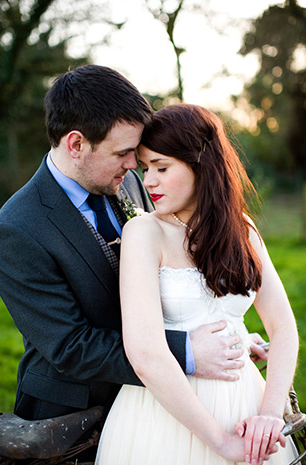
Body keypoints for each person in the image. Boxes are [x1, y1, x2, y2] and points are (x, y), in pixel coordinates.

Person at [0, 66, 265, 461]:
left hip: (159, 403)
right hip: (72, 416)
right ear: (76, 145)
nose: (133, 166)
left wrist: (228, 341)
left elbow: (161, 281)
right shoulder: (15, 228)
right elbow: (70, 346)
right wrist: (188, 350)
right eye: (123, 154)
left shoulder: (130, 182)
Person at [95, 104, 299, 465]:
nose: (148, 182)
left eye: (161, 167)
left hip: (245, 406)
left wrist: (268, 415)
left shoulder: (243, 230)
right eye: (145, 169)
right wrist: (219, 442)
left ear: (200, 163)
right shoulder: (145, 232)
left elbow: (282, 327)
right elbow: (144, 353)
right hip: (165, 418)